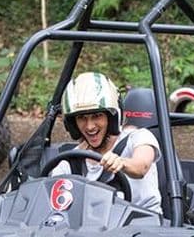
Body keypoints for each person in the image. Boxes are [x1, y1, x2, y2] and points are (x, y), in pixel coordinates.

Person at [51, 72, 163, 215]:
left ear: (111, 118)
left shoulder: (138, 137)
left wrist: (122, 163)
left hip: (145, 223)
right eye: (82, 117)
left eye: (97, 116)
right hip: (96, 227)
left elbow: (142, 166)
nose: (90, 126)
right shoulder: (69, 162)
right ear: (73, 123)